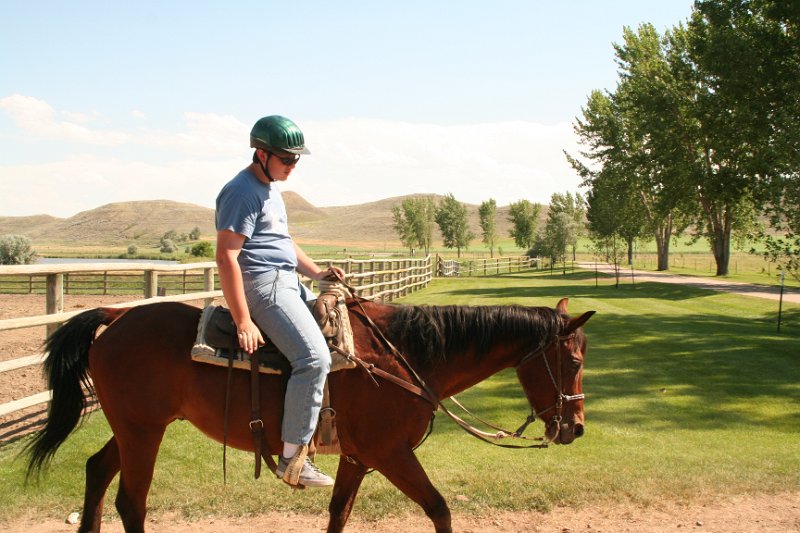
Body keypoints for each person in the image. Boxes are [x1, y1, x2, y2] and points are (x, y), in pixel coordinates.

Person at [215, 115, 343, 488]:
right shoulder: (241, 192)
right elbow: (226, 257)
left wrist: (318, 274)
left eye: (296, 160)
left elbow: (284, 243)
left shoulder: (271, 189)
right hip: (265, 287)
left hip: (288, 281)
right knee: (313, 358)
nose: (292, 166)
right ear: (261, 153)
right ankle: (292, 461)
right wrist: (243, 320)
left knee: (345, 325)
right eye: (286, 159)